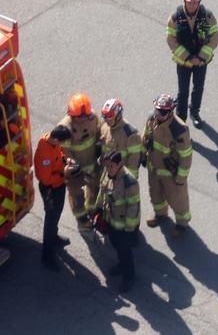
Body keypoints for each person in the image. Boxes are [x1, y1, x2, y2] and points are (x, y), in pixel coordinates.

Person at [168, 0, 218, 128]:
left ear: (200, 1)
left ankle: (195, 113)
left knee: (198, 87)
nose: (192, 5)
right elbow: (171, 39)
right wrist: (188, 57)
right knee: (183, 91)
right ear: (184, 0)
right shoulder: (175, 17)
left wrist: (201, 57)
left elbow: (214, 38)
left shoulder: (208, 16)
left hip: (201, 63)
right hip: (184, 62)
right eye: (190, 2)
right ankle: (181, 118)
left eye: (195, 2)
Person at [142, 94, 194, 235]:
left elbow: (186, 156)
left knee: (178, 200)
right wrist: (142, 152)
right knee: (155, 194)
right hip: (154, 167)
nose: (158, 114)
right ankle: (160, 214)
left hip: (170, 172)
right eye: (157, 110)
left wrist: (180, 179)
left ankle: (182, 224)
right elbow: (146, 135)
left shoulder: (179, 129)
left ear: (170, 112)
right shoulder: (152, 118)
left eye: (162, 112)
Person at [96, 151, 142, 292]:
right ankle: (122, 266)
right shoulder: (108, 174)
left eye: (111, 166)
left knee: (124, 251)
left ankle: (129, 277)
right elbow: (103, 190)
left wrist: (129, 229)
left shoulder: (129, 182)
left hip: (124, 227)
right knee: (116, 246)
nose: (109, 168)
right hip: (112, 221)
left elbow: (133, 207)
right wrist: (97, 208)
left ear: (120, 164)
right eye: (107, 165)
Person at [58, 93, 101, 232]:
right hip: (75, 171)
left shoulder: (92, 117)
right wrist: (73, 169)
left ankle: (92, 211)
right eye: (79, 117)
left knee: (94, 189)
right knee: (76, 196)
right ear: (71, 114)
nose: (83, 120)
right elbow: (63, 152)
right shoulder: (65, 127)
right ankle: (82, 220)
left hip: (92, 164)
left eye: (85, 116)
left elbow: (98, 134)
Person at [34, 125, 72, 267]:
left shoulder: (52, 142)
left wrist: (66, 161)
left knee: (57, 213)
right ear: (56, 139)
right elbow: (46, 180)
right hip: (50, 189)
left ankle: (54, 238)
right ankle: (47, 255)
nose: (63, 145)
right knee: (50, 220)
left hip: (58, 186)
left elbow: (59, 153)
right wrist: (64, 174)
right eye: (62, 142)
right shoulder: (44, 153)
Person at [99, 99, 144, 176]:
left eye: (109, 117)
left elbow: (133, 165)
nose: (106, 120)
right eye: (104, 117)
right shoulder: (104, 127)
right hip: (105, 177)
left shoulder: (131, 134)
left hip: (121, 180)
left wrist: (128, 184)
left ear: (118, 115)